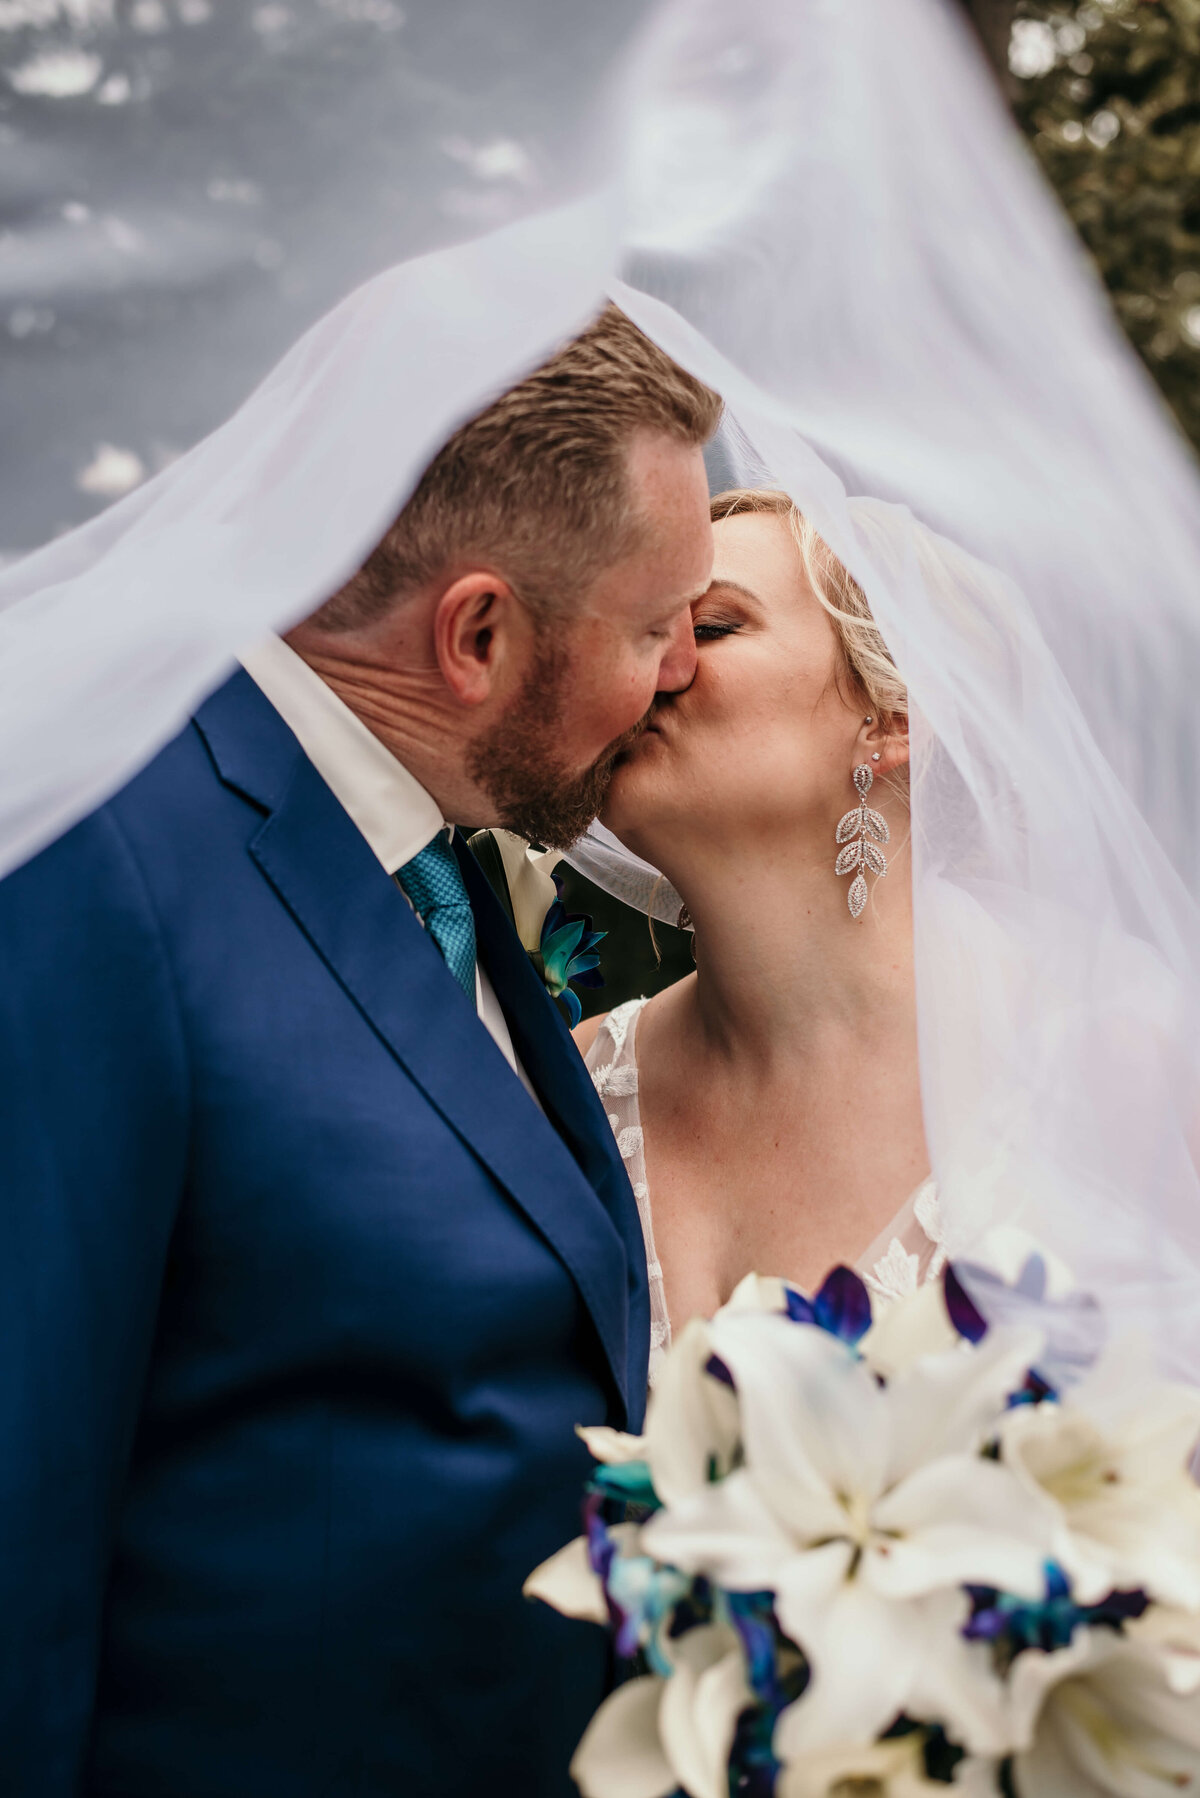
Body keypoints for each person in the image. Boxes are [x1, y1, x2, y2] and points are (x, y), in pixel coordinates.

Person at [0, 304, 720, 1797]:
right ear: (477, 635)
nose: (674, 680)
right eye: (655, 628)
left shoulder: (450, 871)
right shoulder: (103, 856)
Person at [575, 488, 939, 1384]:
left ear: (888, 720)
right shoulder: (576, 1084)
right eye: (637, 627)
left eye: (713, 626)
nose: (648, 665)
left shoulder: (1108, 1061)